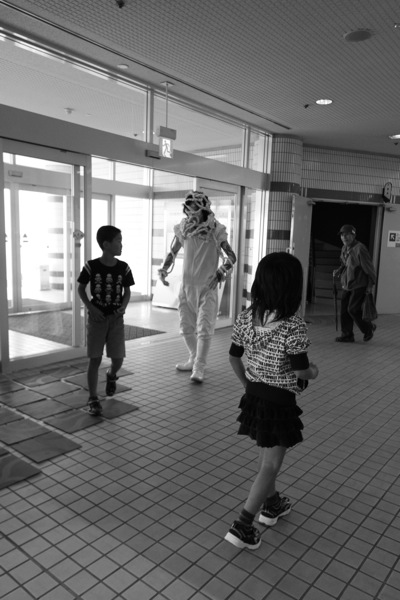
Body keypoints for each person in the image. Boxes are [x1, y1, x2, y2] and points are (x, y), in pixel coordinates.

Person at [224, 252, 319, 550]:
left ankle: (273, 504)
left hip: (254, 397)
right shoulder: (293, 325)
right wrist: (314, 371)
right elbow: (301, 370)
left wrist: (247, 385)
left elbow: (233, 357)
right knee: (271, 464)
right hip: (279, 403)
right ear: (293, 288)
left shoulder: (246, 317)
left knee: (265, 455)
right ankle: (243, 526)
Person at [158, 191, 236, 383]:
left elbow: (231, 256)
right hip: (186, 286)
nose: (190, 212)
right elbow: (173, 252)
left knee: (204, 329)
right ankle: (193, 358)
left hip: (207, 287)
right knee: (185, 327)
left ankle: (199, 367)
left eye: (194, 208)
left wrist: (221, 271)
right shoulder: (183, 228)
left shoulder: (216, 230)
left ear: (203, 208)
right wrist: (164, 269)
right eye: (188, 208)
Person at [77, 225, 134, 415]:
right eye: (118, 241)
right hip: (97, 320)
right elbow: (80, 288)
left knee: (118, 359)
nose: (121, 245)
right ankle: (93, 398)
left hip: (116, 320)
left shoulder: (124, 268)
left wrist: (123, 306)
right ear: (106, 244)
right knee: (95, 358)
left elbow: (127, 291)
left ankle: (111, 374)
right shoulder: (91, 266)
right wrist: (90, 307)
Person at [334, 224, 376, 343]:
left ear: (353, 235)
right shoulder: (344, 248)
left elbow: (370, 269)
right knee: (344, 311)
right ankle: (347, 335)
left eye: (347, 234)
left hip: (359, 284)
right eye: (342, 235)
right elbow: (345, 264)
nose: (344, 237)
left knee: (353, 309)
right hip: (347, 284)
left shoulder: (360, 248)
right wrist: (339, 270)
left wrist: (370, 286)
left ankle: (368, 328)